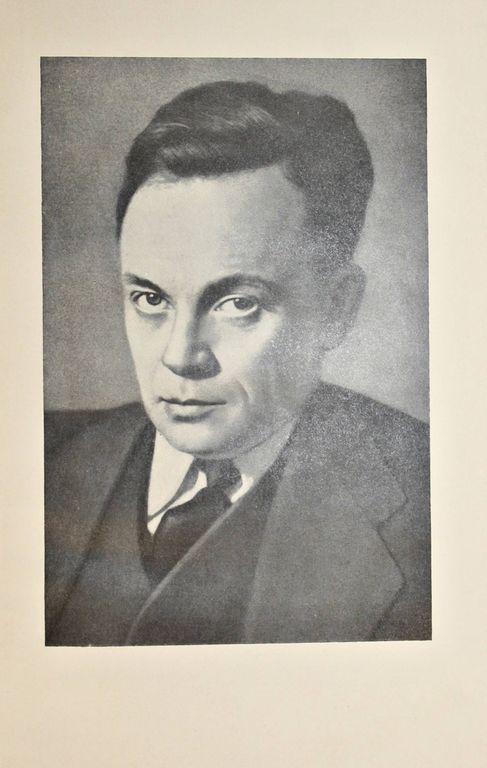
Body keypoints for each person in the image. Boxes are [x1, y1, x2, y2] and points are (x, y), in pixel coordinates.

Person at [44, 80, 430, 645]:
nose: (180, 357)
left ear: (336, 308)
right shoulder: (35, 462)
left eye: (237, 304)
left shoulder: (440, 501)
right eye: (150, 299)